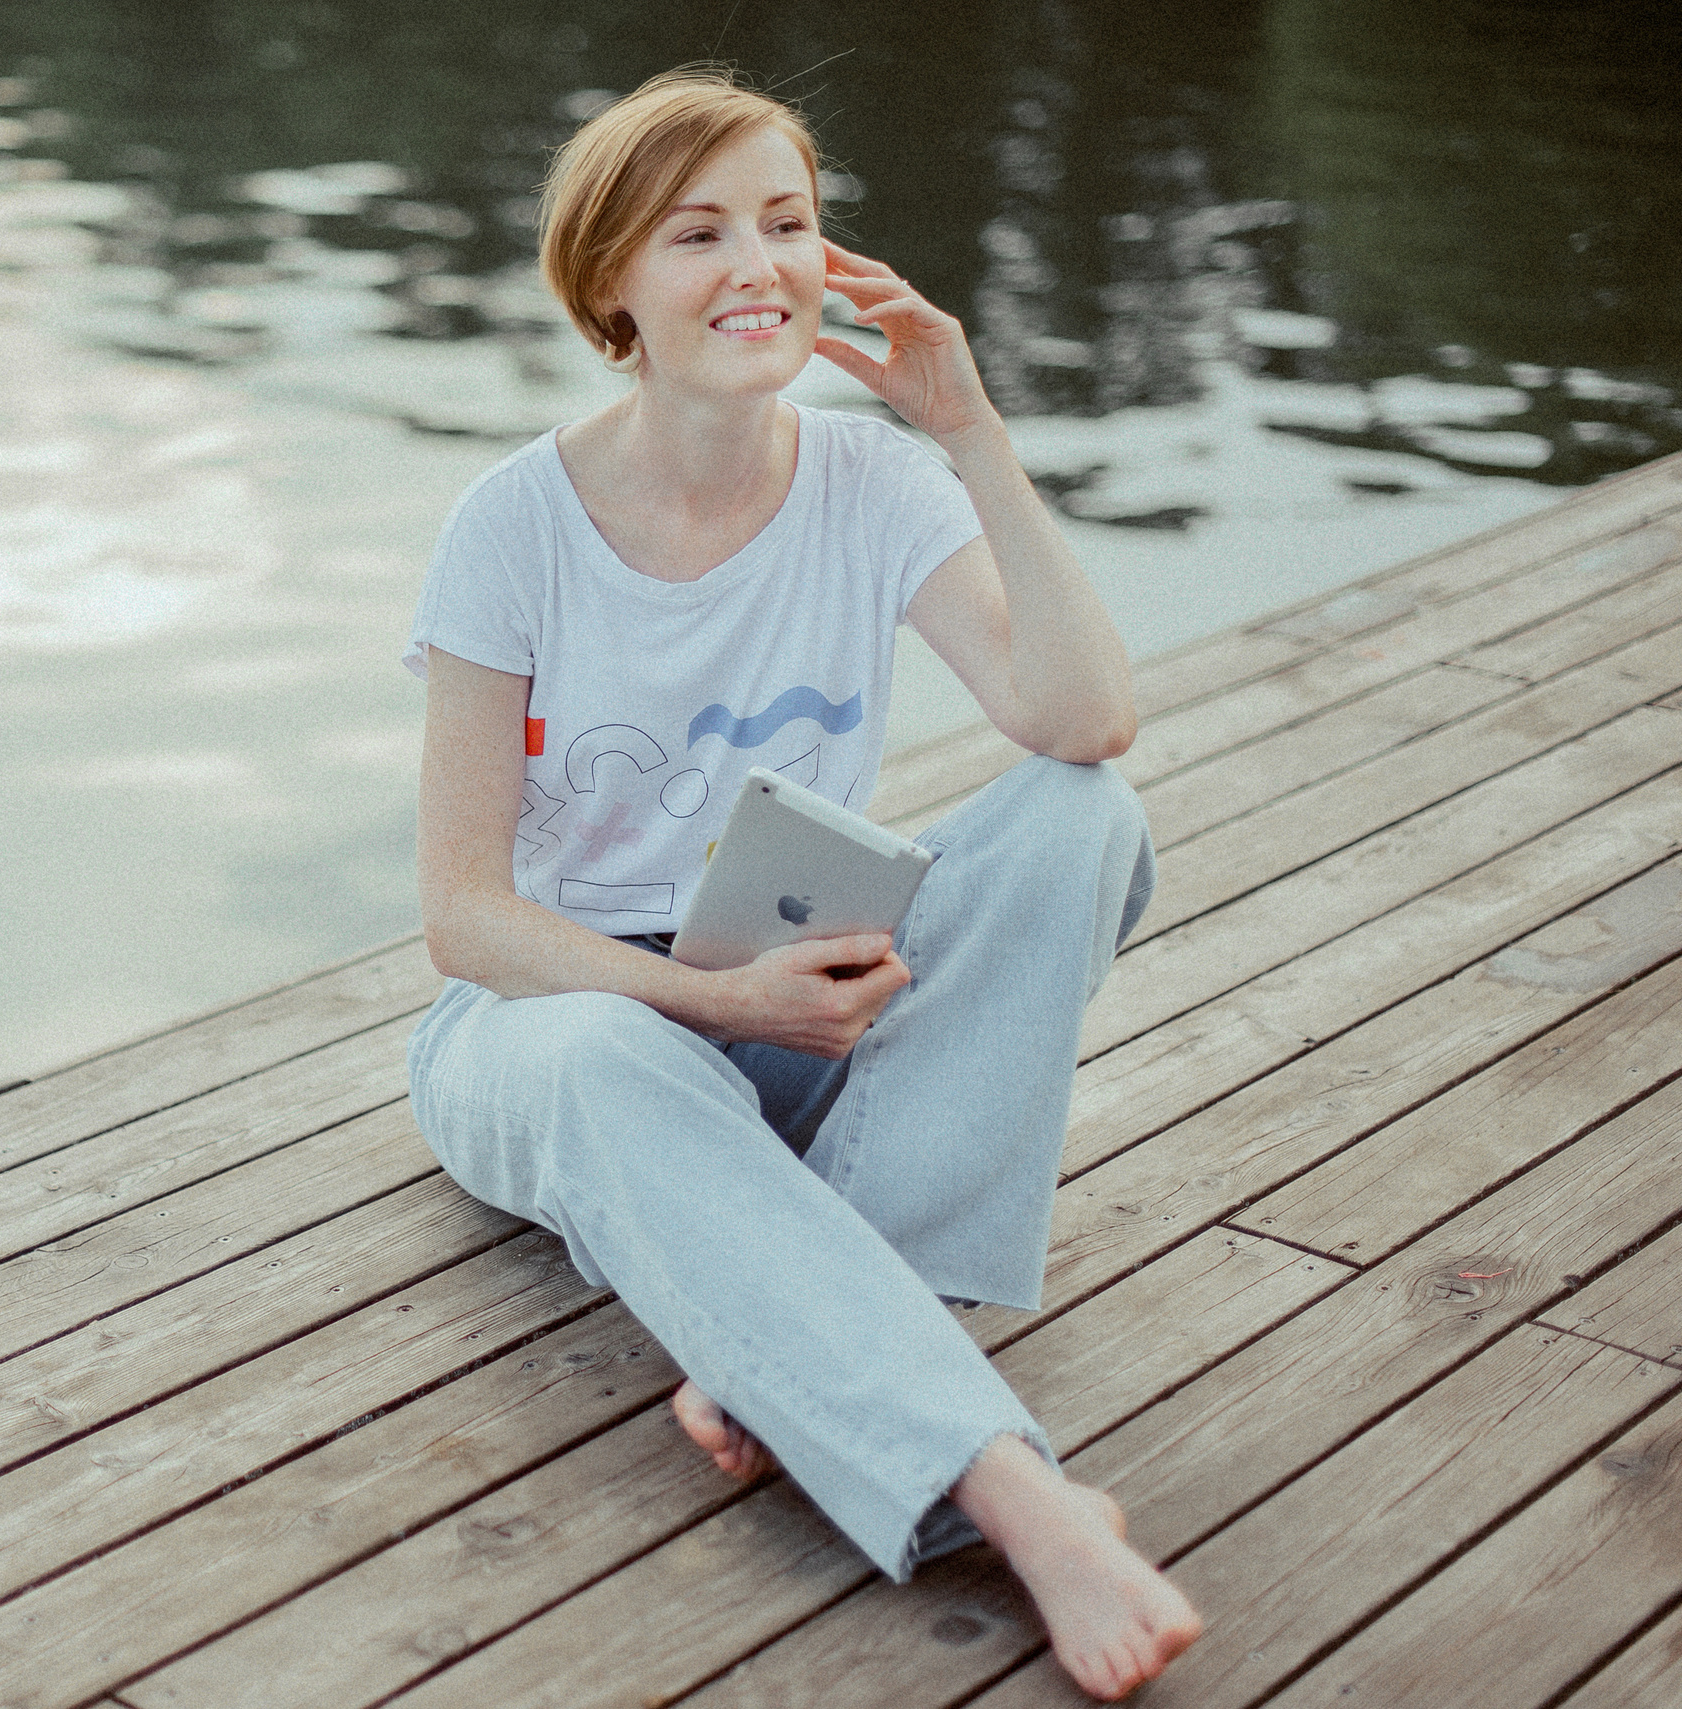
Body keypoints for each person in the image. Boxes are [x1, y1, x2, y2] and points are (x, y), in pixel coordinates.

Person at [402, 69, 1204, 1700]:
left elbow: (1082, 719)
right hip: (558, 1020)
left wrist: (967, 430)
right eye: (699, 232)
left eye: (788, 223)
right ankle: (1019, 1494)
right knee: (605, 1050)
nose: (757, 260)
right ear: (609, 279)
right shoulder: (511, 526)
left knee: (1079, 815)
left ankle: (796, 1341)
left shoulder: (876, 485)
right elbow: (462, 917)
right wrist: (707, 999)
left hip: (803, 1006)